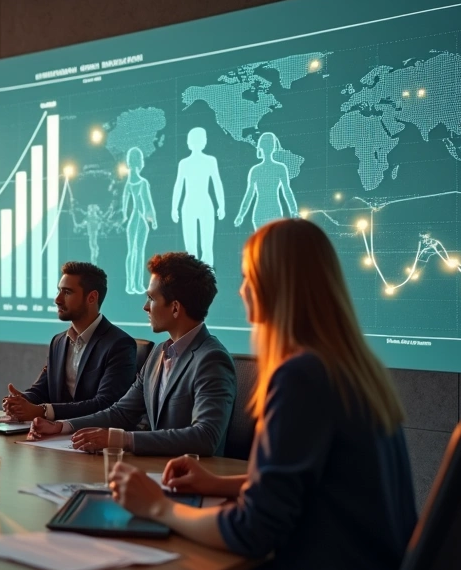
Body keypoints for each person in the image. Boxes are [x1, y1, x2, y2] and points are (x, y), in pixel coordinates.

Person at [108, 219, 416, 570]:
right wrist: (221, 483)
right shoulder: (349, 366)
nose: (241, 290)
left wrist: (159, 507)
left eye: (247, 277)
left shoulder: (301, 376)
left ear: (273, 285)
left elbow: (252, 531)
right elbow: (313, 482)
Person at [28, 252, 236, 456]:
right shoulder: (159, 353)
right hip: (156, 469)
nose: (145, 307)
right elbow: (121, 412)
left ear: (175, 308)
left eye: (151, 298)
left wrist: (122, 439)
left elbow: (205, 436)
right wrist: (62, 426)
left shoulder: (211, 359)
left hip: (194, 474)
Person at [2, 262, 137, 423]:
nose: (57, 300)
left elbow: (105, 404)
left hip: (96, 436)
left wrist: (43, 411)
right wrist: (21, 400)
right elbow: (42, 391)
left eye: (67, 292)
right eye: (59, 291)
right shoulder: (58, 342)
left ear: (92, 297)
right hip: (54, 434)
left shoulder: (120, 344)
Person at [171, 127, 226, 265]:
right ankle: (200, 276)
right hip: (194, 205)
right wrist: (174, 208)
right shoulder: (185, 163)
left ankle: (205, 276)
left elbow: (217, 183)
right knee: (196, 249)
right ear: (204, 141)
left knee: (202, 248)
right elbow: (179, 186)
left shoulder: (209, 161)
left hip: (200, 205)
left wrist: (222, 205)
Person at [234, 132, 298, 230]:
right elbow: (249, 194)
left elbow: (287, 191)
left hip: (271, 212)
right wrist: (240, 215)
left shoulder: (276, 168)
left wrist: (294, 211)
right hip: (266, 212)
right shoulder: (265, 169)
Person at [120, 147, 156, 294]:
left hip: (133, 220)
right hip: (140, 220)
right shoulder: (142, 183)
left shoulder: (130, 184)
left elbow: (125, 203)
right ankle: (136, 284)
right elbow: (147, 204)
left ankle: (132, 284)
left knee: (132, 252)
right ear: (140, 162)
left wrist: (124, 216)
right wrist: (153, 220)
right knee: (138, 252)